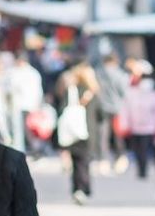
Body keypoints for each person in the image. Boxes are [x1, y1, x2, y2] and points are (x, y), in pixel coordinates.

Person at [55, 64, 99, 204]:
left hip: (72, 133)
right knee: (84, 163)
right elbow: (101, 114)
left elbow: (61, 110)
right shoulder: (92, 92)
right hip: (88, 132)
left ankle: (77, 189)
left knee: (76, 163)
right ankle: (84, 188)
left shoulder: (71, 91)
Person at [119, 61, 155, 179]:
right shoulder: (131, 93)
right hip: (135, 127)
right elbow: (126, 110)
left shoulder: (154, 95)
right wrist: (125, 124)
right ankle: (140, 168)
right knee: (137, 149)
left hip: (149, 127)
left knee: (144, 148)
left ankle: (144, 170)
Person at [94, 52, 131, 174]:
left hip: (102, 107)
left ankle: (103, 161)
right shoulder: (120, 75)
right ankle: (120, 159)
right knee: (117, 135)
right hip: (117, 108)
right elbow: (124, 92)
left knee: (102, 135)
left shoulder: (97, 73)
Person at [8, 52, 44, 154]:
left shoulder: (19, 73)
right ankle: (33, 147)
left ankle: (31, 147)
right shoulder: (33, 73)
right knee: (26, 128)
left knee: (23, 128)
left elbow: (12, 86)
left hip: (22, 104)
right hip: (28, 104)